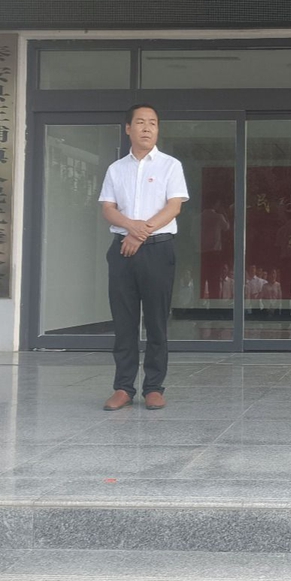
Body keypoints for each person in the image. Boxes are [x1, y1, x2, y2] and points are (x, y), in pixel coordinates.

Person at [98, 104, 189, 411]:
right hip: (121, 250)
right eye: (140, 122)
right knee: (123, 321)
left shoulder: (170, 165)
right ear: (128, 128)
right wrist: (130, 228)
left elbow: (174, 207)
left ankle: (153, 387)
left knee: (156, 321)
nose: (147, 128)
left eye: (153, 123)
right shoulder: (116, 169)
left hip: (157, 250)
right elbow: (108, 208)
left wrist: (140, 233)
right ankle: (123, 387)